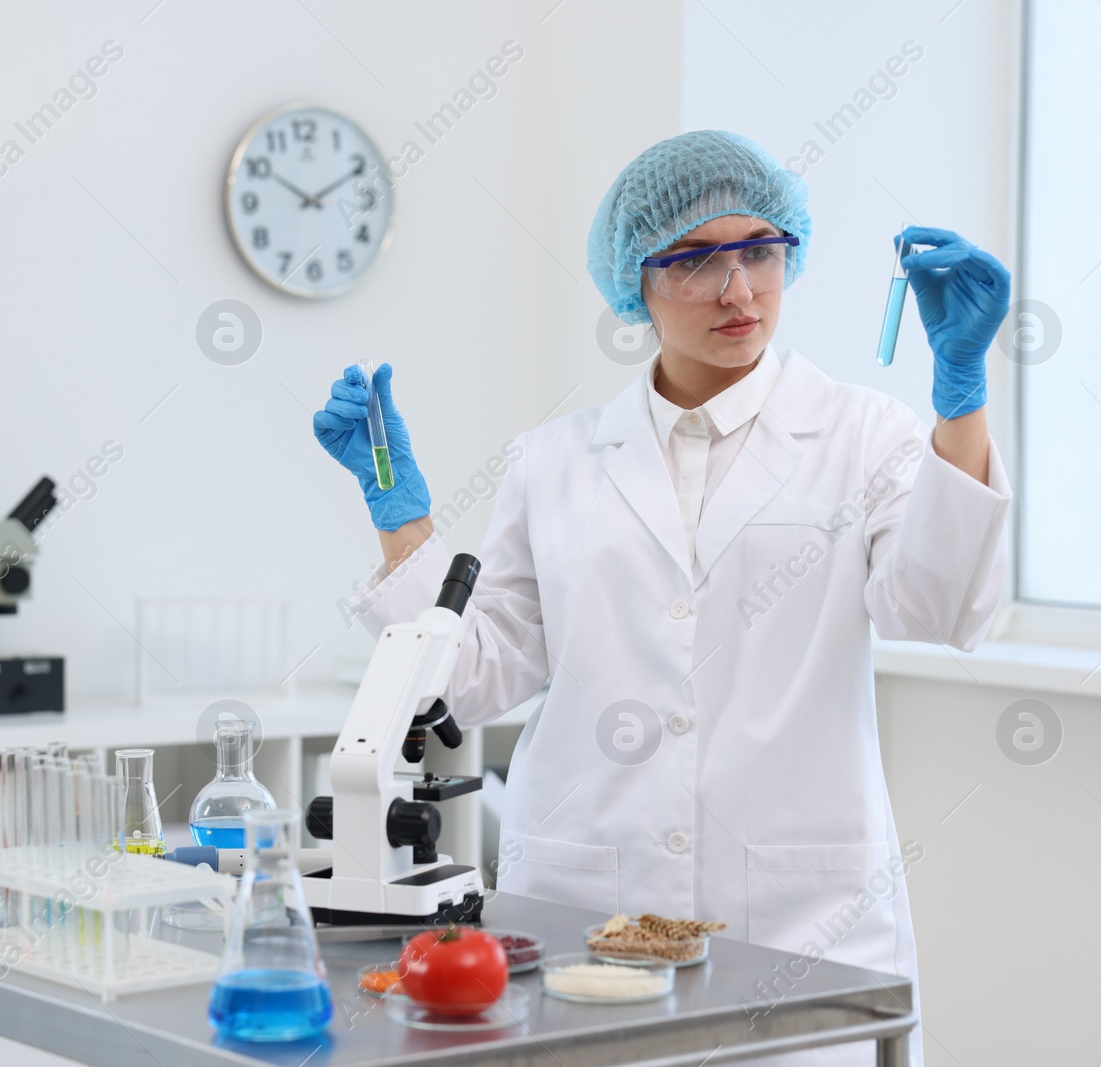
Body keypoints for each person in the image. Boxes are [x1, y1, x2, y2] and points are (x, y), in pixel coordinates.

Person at [312, 129, 1011, 1067]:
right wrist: (400, 515)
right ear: (632, 281)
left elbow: (941, 609)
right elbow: (472, 681)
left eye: (761, 251)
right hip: (588, 906)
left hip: (801, 918)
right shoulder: (553, 461)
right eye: (694, 259)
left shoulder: (862, 436)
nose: (737, 290)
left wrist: (959, 402)